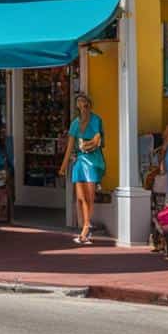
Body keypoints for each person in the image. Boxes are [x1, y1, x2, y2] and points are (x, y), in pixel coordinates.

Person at [60, 93, 105, 245]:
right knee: (80, 197)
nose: (81, 105)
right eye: (79, 102)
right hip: (80, 161)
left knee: (89, 196)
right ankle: (86, 223)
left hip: (92, 160)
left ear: (88, 104)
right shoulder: (75, 123)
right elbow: (70, 146)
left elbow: (98, 139)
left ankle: (86, 227)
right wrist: (63, 166)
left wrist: (88, 144)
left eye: (83, 101)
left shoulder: (96, 119)